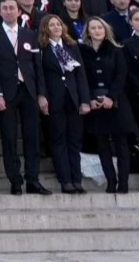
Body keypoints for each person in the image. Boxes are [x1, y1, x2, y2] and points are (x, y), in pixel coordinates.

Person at [0, 0, 47, 195]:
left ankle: (33, 179)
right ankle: (15, 180)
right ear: (0, 12)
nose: (9, 11)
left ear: (19, 12)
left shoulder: (30, 35)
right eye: (5, 8)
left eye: (12, 8)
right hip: (7, 92)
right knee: (9, 138)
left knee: (32, 137)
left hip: (28, 90)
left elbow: (37, 66)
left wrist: (41, 93)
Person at [79, 16, 134, 193]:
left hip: (116, 103)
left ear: (105, 30)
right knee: (102, 144)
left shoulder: (116, 50)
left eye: (100, 28)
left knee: (121, 144)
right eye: (93, 28)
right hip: (95, 104)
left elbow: (121, 75)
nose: (97, 31)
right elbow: (82, 78)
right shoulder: (82, 52)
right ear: (88, 32)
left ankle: (123, 182)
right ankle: (111, 181)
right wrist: (89, 98)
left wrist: (111, 97)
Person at [37, 13, 91, 193]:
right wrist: (42, 96)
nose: (56, 28)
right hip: (55, 99)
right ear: (45, 28)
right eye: (52, 25)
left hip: (73, 99)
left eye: (58, 24)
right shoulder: (42, 48)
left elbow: (80, 75)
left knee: (74, 141)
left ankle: (77, 179)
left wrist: (84, 100)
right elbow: (40, 74)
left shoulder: (71, 46)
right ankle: (65, 180)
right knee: (58, 140)